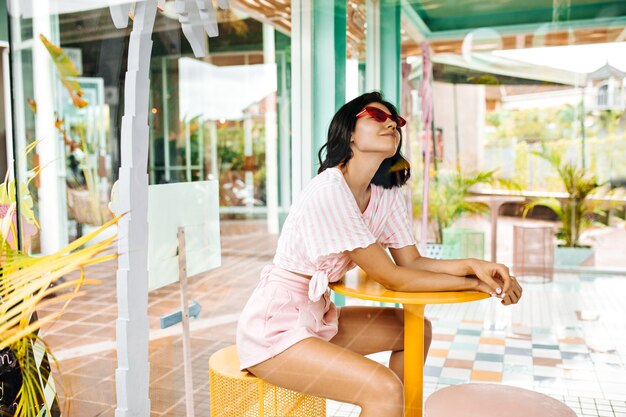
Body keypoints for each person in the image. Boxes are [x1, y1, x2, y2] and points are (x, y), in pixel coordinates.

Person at [236, 91, 523, 417]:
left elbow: (412, 262)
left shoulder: (385, 195)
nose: (391, 124)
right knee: (384, 388)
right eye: (377, 115)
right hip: (275, 329)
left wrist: (476, 266)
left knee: (415, 331)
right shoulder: (330, 190)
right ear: (349, 133)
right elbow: (392, 277)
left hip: (319, 318)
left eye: (396, 121)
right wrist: (477, 284)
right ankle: (386, 407)